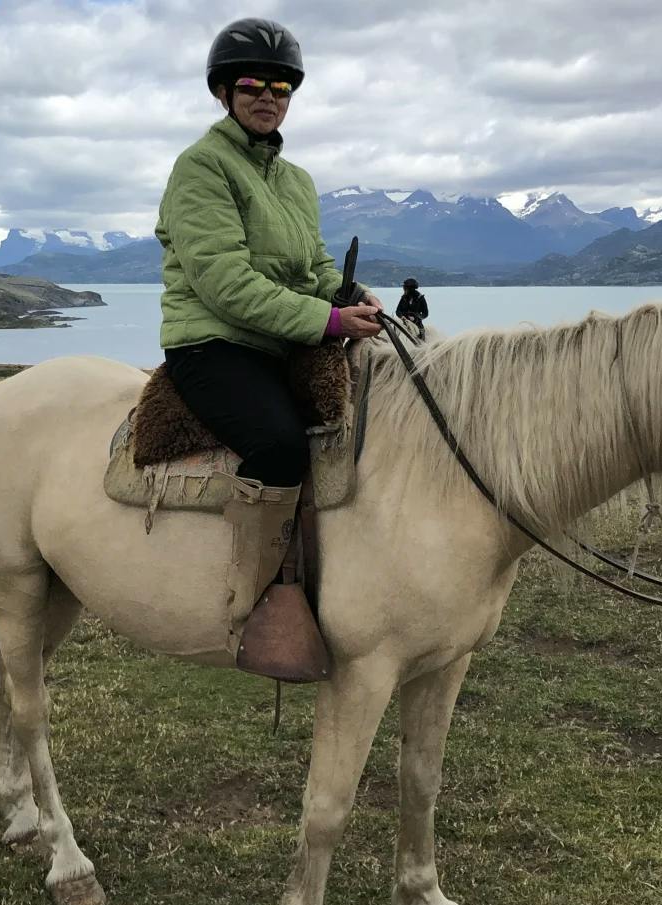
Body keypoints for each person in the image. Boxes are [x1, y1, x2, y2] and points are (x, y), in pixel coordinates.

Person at [154, 17, 382, 679]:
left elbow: (312, 270)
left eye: (281, 85)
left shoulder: (298, 181)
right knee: (281, 443)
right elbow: (225, 285)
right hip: (213, 344)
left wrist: (351, 298)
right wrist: (328, 321)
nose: (268, 95)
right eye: (251, 83)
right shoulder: (200, 168)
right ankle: (250, 601)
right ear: (223, 92)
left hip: (282, 340)